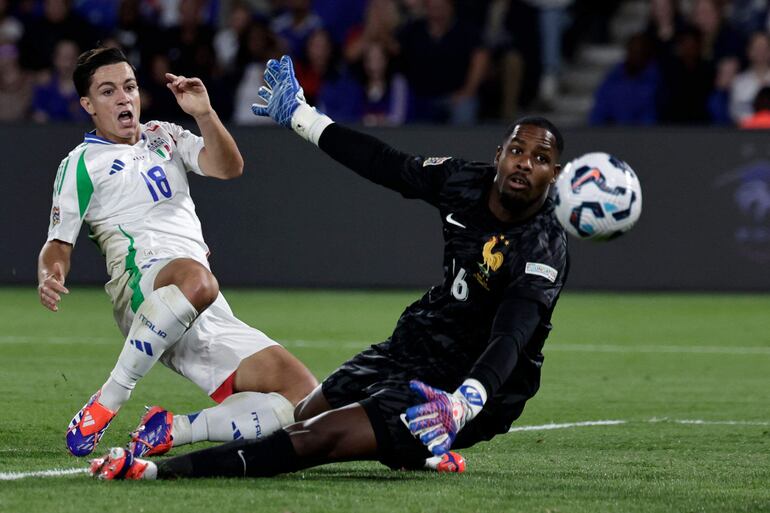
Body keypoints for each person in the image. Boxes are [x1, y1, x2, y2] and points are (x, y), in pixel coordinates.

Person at [90, 54, 569, 480]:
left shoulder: (541, 249)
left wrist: (467, 402)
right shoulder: (466, 182)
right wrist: (301, 115)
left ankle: (153, 470)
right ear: (499, 154)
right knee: (303, 411)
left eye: (541, 158)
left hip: (476, 385)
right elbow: (384, 163)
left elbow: (510, 336)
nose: (525, 163)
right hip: (420, 343)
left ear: (556, 174)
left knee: (314, 440)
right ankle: (173, 429)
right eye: (517, 150)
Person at [37, 47, 317, 459]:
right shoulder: (81, 163)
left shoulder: (163, 134)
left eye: (129, 87)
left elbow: (228, 167)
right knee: (198, 279)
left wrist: (204, 114)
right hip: (143, 286)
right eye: (108, 91)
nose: (123, 98)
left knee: (304, 400)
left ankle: (172, 429)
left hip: (202, 302)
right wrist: (51, 273)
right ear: (88, 105)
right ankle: (110, 398)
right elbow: (58, 242)